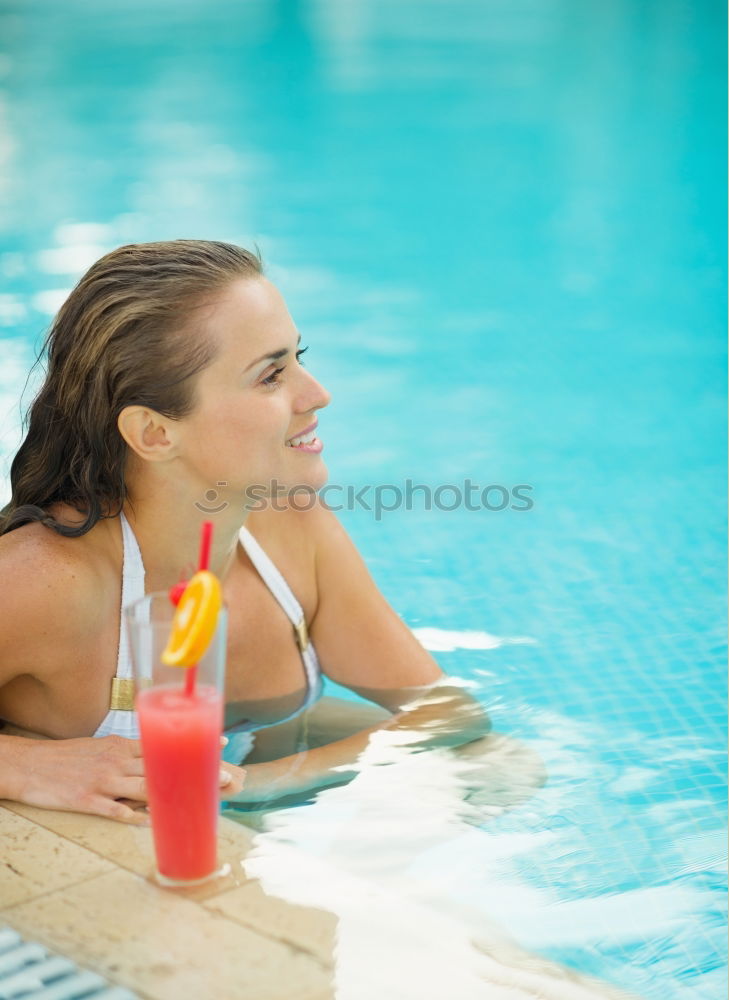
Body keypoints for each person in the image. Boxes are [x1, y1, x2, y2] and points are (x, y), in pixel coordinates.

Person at [0, 240, 526, 826]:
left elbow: (449, 713)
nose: (317, 394)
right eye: (272, 375)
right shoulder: (46, 581)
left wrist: (251, 785)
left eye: (298, 358)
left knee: (504, 768)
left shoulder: (291, 529)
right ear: (153, 432)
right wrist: (24, 764)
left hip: (255, 764)